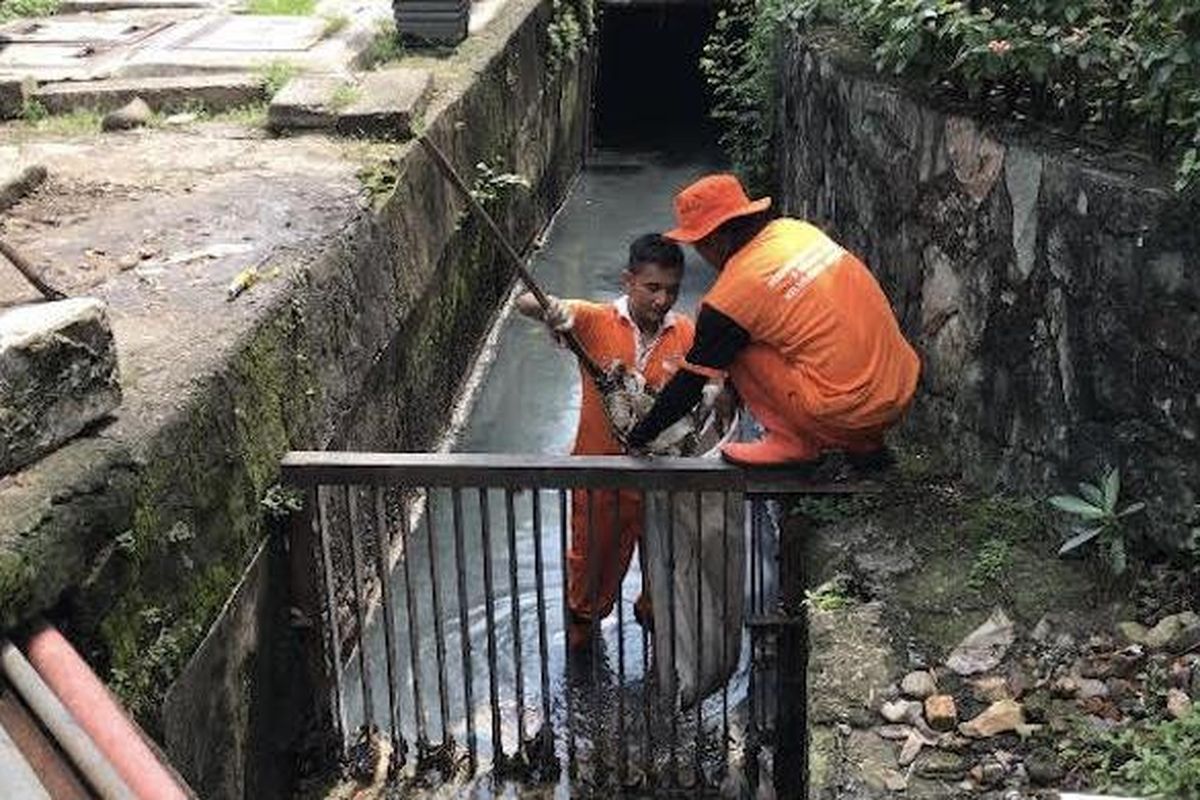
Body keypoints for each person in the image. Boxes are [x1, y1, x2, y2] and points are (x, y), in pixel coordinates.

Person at [627, 174, 920, 466]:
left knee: (737, 342)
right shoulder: (794, 231)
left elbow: (690, 384)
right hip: (899, 390)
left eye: (699, 246)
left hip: (846, 413)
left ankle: (791, 442)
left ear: (714, 240)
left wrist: (640, 435)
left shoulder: (729, 298)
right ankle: (867, 446)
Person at [517, 233, 695, 649]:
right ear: (628, 281)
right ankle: (582, 661)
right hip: (600, 477)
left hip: (663, 482)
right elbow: (526, 301)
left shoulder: (685, 333)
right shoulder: (596, 320)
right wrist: (553, 313)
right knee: (587, 593)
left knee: (664, 589)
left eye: (672, 290)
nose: (662, 300)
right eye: (652, 288)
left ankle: (653, 632)